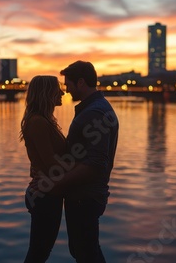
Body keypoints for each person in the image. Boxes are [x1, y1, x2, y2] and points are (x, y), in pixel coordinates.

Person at [55, 60, 119, 262]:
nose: (66, 90)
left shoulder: (94, 113)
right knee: (83, 250)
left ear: (81, 82)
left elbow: (95, 164)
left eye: (68, 84)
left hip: (85, 196)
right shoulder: (96, 108)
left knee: (86, 252)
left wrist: (58, 181)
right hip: (87, 195)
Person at [20, 75, 66, 263]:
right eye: (58, 89)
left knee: (41, 251)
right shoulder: (38, 122)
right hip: (44, 194)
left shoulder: (44, 121)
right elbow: (50, 162)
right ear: (47, 93)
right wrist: (82, 168)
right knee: (39, 252)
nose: (62, 92)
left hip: (47, 191)